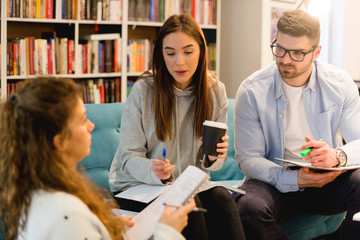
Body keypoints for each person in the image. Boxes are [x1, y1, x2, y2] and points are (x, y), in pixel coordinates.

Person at [0, 77, 196, 240]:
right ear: (60, 141)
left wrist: (102, 230)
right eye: (83, 119)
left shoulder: (37, 195)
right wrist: (166, 231)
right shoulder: (68, 215)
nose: (91, 126)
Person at [109, 13, 245, 240]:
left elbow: (212, 165)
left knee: (223, 198)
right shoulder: (144, 90)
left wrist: (213, 156)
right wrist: (153, 169)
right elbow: (127, 159)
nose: (179, 62)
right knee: (189, 208)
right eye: (170, 53)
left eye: (188, 52)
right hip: (137, 187)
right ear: (161, 54)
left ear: (202, 50)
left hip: (186, 186)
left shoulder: (214, 91)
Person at [234, 9, 360, 240]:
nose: (285, 59)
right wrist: (292, 179)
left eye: (298, 53)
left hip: (328, 178)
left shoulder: (340, 84)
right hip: (275, 179)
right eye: (280, 49)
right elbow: (247, 158)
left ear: (316, 51)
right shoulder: (252, 90)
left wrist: (337, 157)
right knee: (246, 207)